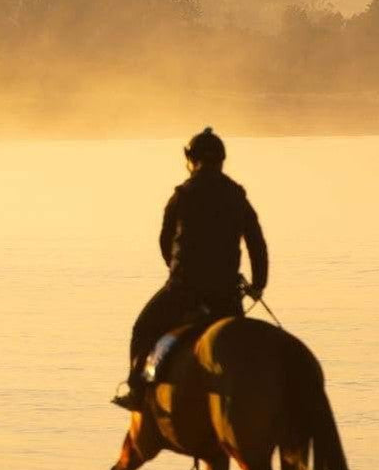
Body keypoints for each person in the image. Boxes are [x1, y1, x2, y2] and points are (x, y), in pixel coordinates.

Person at [112, 127, 268, 410]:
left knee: (143, 329)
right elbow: (256, 243)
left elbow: (165, 241)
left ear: (190, 159)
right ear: (221, 160)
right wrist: (258, 285)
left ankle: (137, 389)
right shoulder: (237, 195)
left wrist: (177, 272)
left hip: (183, 290)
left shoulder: (182, 195)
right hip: (226, 295)